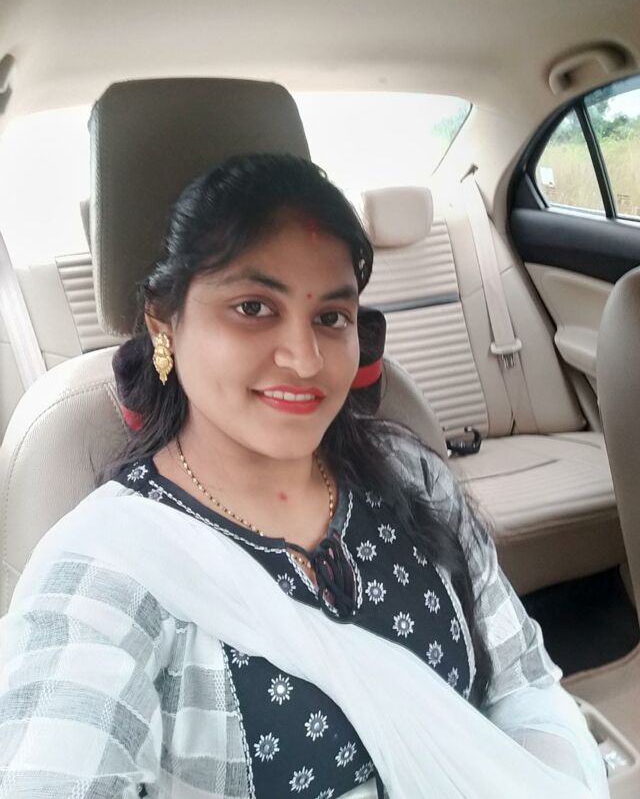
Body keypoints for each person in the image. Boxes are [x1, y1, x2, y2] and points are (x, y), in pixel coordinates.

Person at [0, 154, 608, 798]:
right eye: (253, 307)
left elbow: (524, 685)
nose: (305, 358)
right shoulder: (105, 571)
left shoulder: (412, 476)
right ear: (163, 322)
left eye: (331, 317)